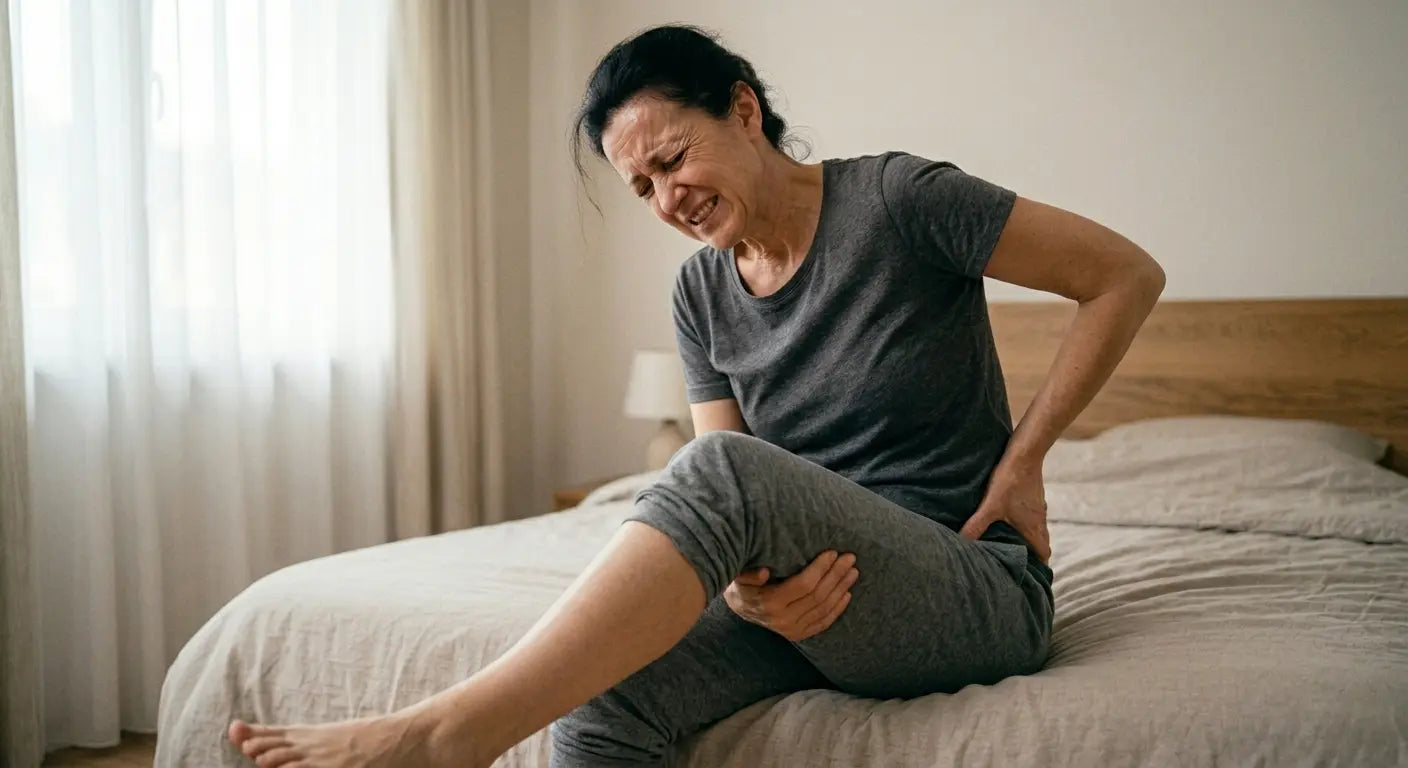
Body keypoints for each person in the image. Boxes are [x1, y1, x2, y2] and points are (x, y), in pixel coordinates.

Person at [228, 23, 1165, 768]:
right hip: (815, 598)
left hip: (971, 588)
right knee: (602, 702)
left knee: (715, 468)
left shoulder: (900, 200)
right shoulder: (700, 294)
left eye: (673, 159)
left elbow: (1124, 275)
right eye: (642, 187)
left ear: (744, 110)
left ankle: (451, 734)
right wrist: (754, 599)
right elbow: (737, 499)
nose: (668, 198)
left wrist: (1024, 459)